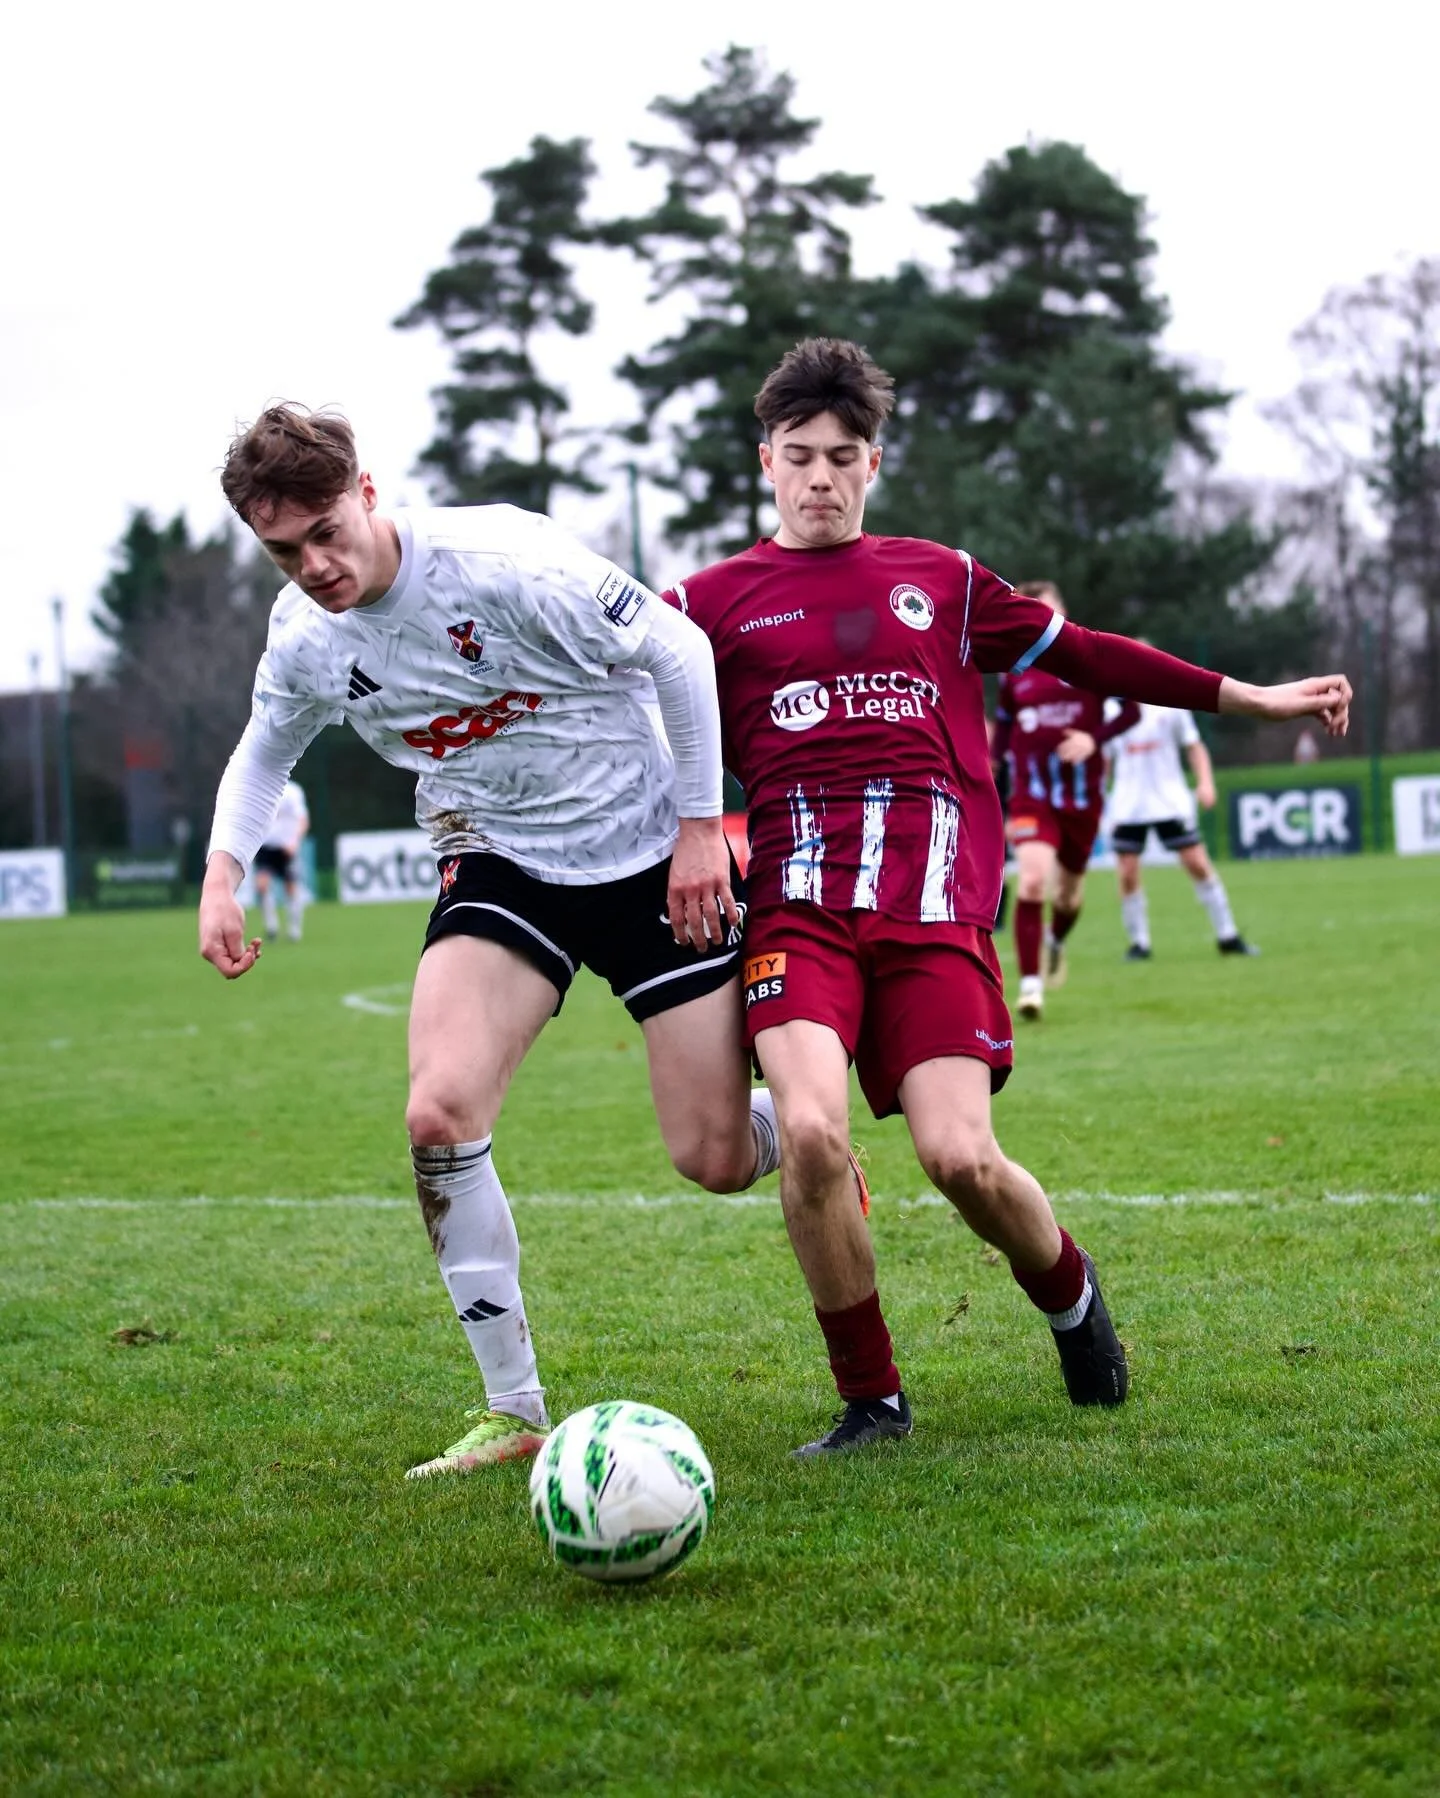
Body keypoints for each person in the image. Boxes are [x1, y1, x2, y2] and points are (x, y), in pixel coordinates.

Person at [666, 337, 1352, 1456]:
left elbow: (1091, 656)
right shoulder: (703, 603)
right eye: (800, 457)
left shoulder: (939, 578)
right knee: (809, 1130)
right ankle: (873, 1399)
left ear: (875, 463)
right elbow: (608, 698)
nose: (822, 478)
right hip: (796, 913)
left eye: (843, 455)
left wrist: (1250, 700)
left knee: (960, 1160)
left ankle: (1073, 1297)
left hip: (935, 915)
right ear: (766, 461)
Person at [198, 403, 817, 1482]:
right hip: (499, 859)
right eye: (284, 551)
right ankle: (513, 1406)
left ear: (368, 492)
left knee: (714, 1157)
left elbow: (676, 647)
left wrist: (698, 829)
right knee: (438, 1108)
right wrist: (221, 877)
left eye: (327, 531)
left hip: (646, 853)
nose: (315, 566)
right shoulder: (304, 636)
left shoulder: (501, 561)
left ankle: (809, 1123)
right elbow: (265, 752)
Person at [991, 584, 1141, 1019]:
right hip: (1031, 795)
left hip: (1081, 799)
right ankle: (1031, 987)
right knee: (1033, 881)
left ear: (1062, 613)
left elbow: (1130, 711)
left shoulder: (1087, 661)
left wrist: (1093, 740)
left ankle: (1056, 940)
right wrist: (995, 759)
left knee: (1069, 898)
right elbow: (1004, 722)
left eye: (1046, 609)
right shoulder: (1013, 671)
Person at [1106, 700, 1257, 959]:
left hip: (1169, 800)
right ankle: (1139, 943)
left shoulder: (1168, 704)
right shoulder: (1109, 708)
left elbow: (1194, 745)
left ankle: (1228, 935)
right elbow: (1104, 758)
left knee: (1197, 863)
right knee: (1127, 873)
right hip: (1128, 803)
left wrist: (1205, 783)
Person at [252, 778, 309, 942]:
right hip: (265, 845)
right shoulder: (261, 789)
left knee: (290, 887)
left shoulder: (293, 791)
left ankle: (294, 928)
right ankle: (271, 926)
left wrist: (295, 842)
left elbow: (303, 819)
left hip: (285, 846)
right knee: (262, 885)